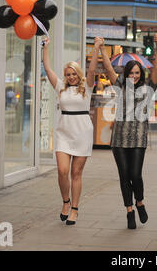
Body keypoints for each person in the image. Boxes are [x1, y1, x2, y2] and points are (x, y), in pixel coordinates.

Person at [100, 33, 157, 229]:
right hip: (119, 140)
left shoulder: (149, 87)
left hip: (138, 138)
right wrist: (102, 48)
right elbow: (109, 68)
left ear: (141, 74)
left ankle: (140, 202)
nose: (134, 76)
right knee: (123, 175)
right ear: (126, 74)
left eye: (137, 73)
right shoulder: (120, 85)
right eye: (131, 73)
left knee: (135, 174)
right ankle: (129, 210)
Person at [42, 36, 98, 225]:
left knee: (76, 173)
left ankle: (74, 209)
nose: (71, 77)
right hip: (63, 133)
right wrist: (45, 47)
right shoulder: (60, 88)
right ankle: (65, 202)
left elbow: (92, 69)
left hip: (82, 133)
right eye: (67, 74)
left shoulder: (86, 88)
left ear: (78, 74)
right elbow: (48, 69)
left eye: (73, 73)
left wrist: (96, 47)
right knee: (62, 170)